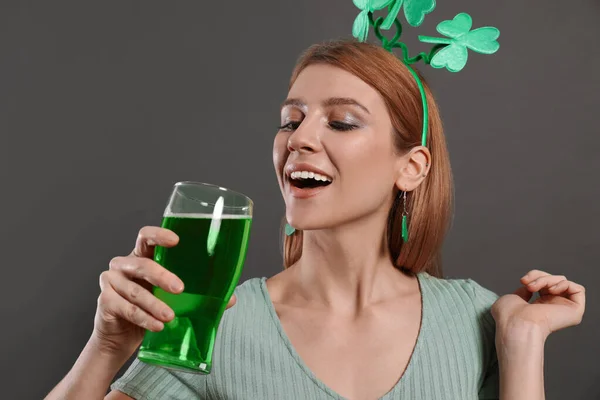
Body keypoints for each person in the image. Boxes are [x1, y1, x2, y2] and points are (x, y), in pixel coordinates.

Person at [46, 40, 586, 400]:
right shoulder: (216, 322)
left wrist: (522, 344)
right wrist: (107, 347)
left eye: (343, 122)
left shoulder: (479, 318)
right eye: (291, 120)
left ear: (411, 167)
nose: (299, 139)